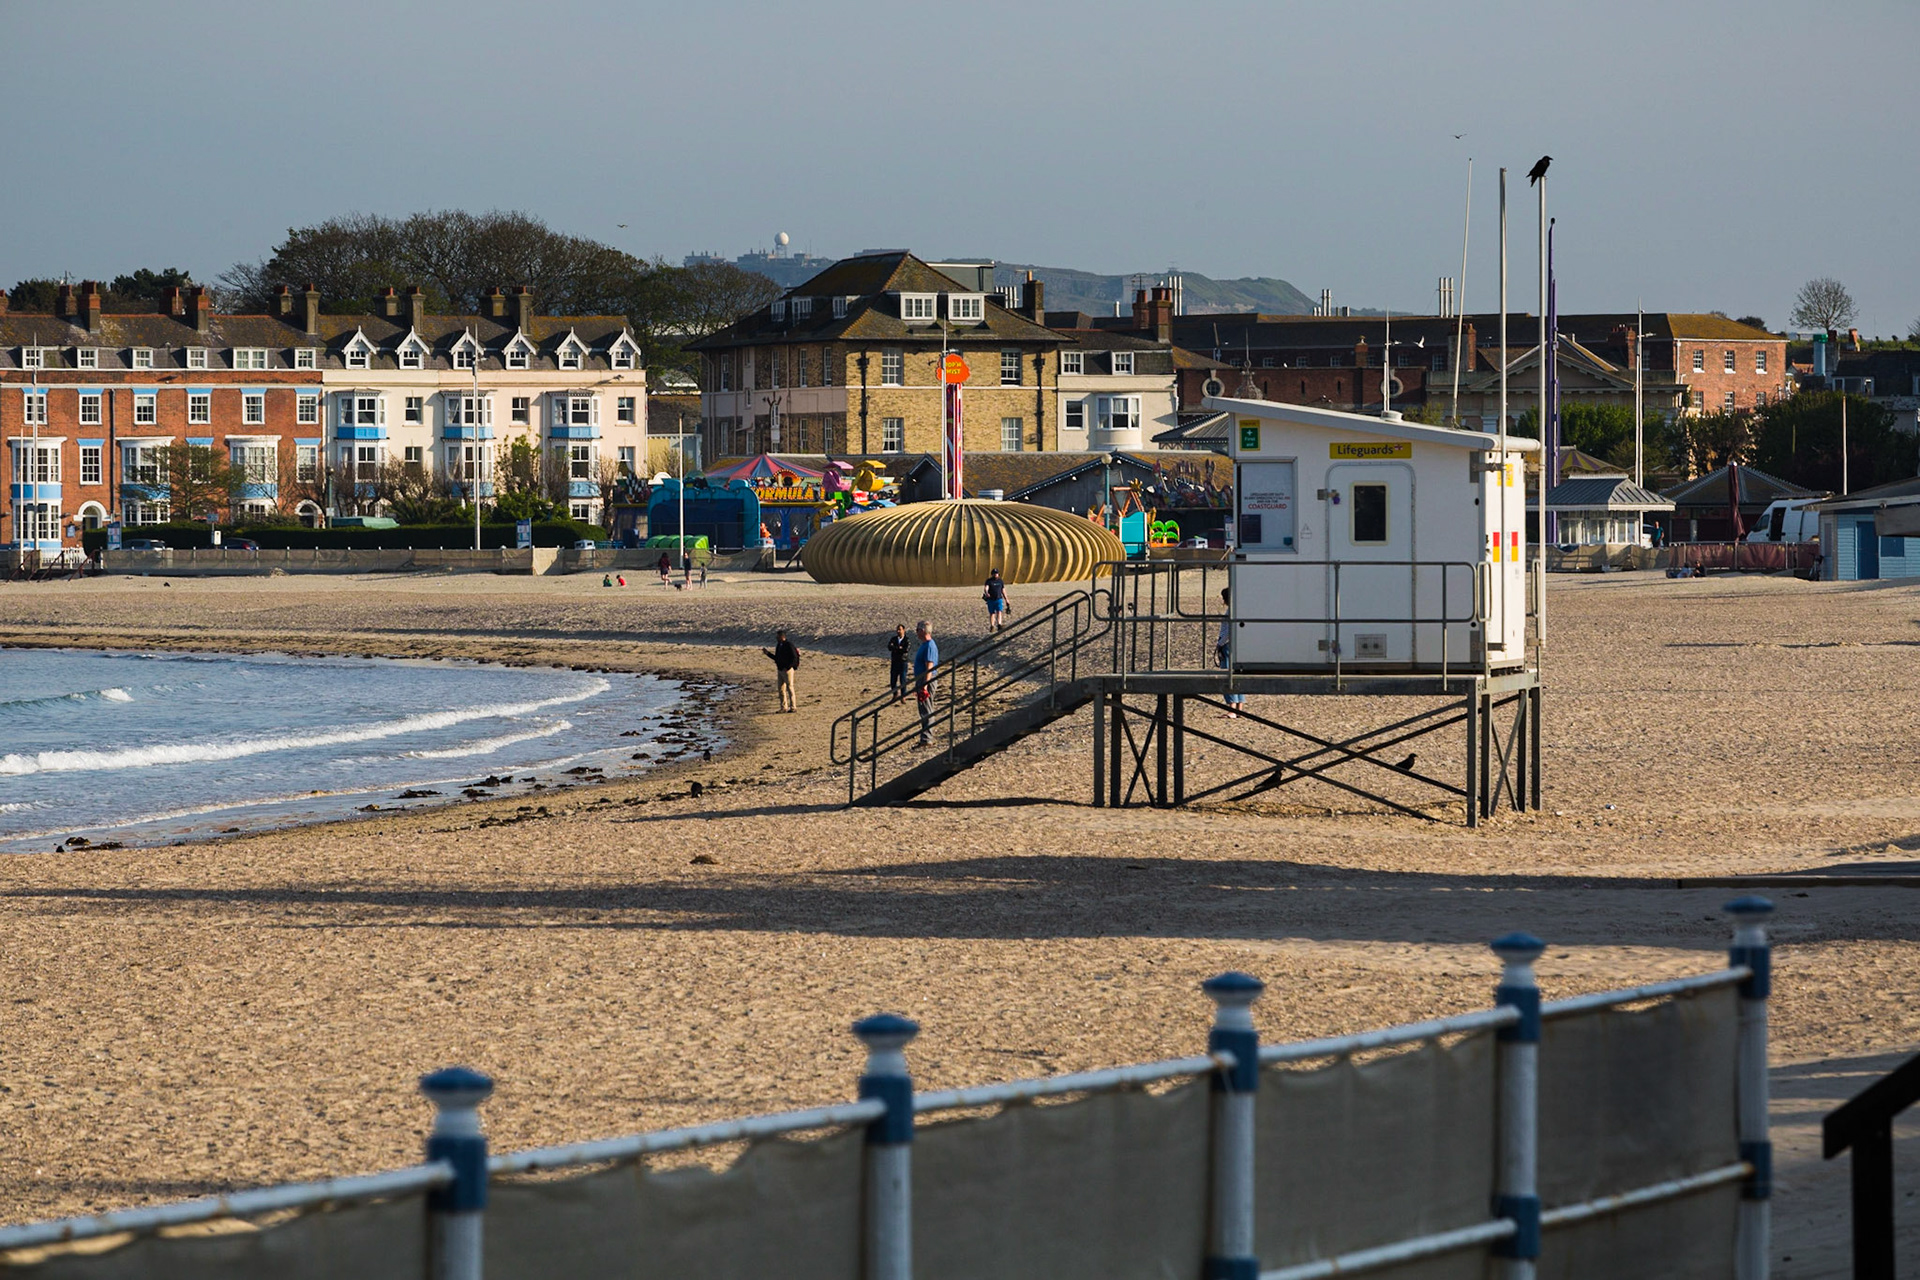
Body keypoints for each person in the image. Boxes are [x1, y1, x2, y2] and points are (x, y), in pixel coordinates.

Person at [1216, 586, 1244, 719]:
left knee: (1228, 675)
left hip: (1227, 645)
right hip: (1237, 645)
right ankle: (1239, 708)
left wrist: (1220, 644)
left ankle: (1231, 709)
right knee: (1237, 675)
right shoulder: (1238, 609)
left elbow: (1228, 631)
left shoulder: (1230, 611)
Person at [912, 620, 939, 745]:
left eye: (917, 630)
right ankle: (925, 737)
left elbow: (930, 666)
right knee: (923, 709)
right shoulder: (925, 645)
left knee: (927, 709)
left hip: (926, 679)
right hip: (921, 679)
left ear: (923, 631)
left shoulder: (930, 646)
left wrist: (925, 685)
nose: (916, 632)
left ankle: (927, 738)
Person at [763, 630, 801, 712]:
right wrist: (768, 654)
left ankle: (793, 707)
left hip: (787, 670)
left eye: (778, 636)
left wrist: (789, 667)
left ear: (782, 637)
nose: (776, 638)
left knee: (790, 687)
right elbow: (777, 658)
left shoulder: (789, 645)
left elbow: (794, 657)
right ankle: (784, 707)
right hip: (780, 670)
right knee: (781, 689)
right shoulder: (779, 645)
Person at [886, 623, 912, 703]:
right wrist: (898, 648)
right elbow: (889, 647)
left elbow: (906, 649)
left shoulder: (906, 640)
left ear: (903, 630)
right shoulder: (893, 639)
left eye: (900, 629)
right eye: (897, 630)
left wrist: (897, 649)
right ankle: (895, 694)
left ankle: (903, 696)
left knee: (903, 679)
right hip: (895, 661)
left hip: (903, 662)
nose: (898, 631)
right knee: (893, 680)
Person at [982, 568, 1010, 633]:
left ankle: (999, 625)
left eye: (997, 573)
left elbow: (1003, 590)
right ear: (992, 574)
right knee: (992, 613)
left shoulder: (1000, 581)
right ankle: (992, 626)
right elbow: (986, 588)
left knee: (999, 612)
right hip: (991, 600)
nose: (996, 575)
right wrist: (986, 593)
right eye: (994, 574)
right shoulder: (989, 581)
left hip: (999, 599)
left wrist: (1007, 599)